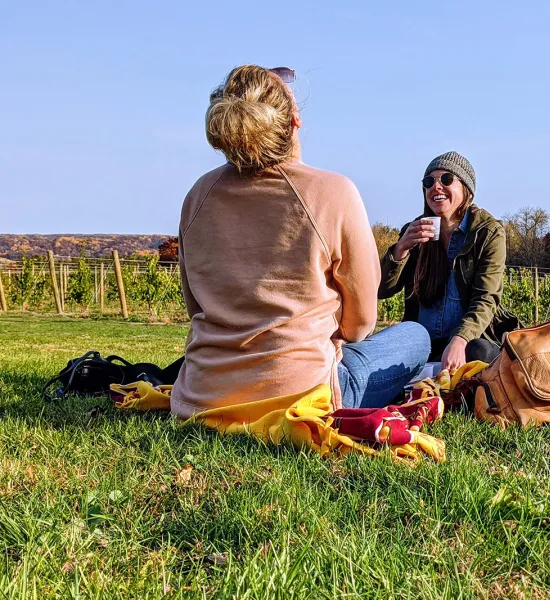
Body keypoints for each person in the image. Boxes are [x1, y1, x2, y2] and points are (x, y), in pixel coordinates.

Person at [171, 65, 429, 418]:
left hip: (201, 396)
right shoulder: (333, 192)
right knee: (416, 337)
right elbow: (359, 325)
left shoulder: (197, 195)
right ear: (295, 120)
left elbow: (194, 307)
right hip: (299, 397)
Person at [379, 151, 519, 372]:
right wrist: (400, 249)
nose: (436, 187)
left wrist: (460, 339)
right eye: (429, 181)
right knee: (379, 350)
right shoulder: (414, 232)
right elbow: (381, 290)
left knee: (479, 351)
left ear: (466, 190)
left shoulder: (487, 233)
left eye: (446, 179)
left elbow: (485, 299)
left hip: (470, 339)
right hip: (423, 342)